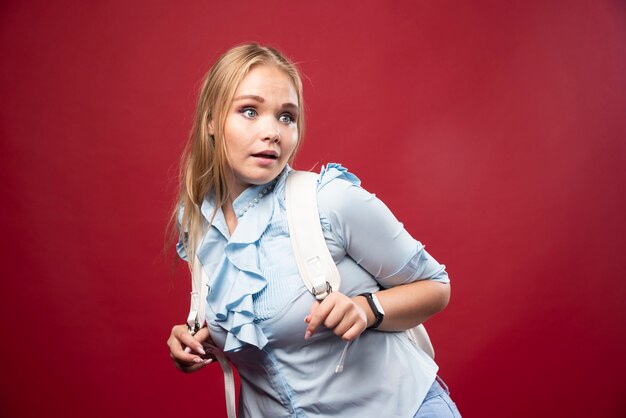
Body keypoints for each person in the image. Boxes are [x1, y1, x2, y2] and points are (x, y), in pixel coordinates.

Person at [167, 43, 461, 418]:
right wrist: (204, 341)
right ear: (211, 121)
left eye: (286, 116)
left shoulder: (329, 201)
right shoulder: (195, 222)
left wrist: (367, 308)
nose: (272, 131)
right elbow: (262, 323)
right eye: (250, 111)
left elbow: (437, 286)